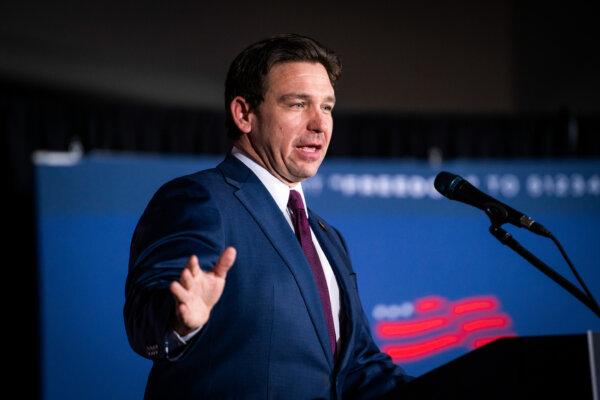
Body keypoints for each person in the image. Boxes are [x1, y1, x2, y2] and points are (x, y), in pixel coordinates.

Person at [124, 33, 409, 399]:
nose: (319, 124)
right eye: (297, 105)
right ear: (244, 114)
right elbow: (145, 319)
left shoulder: (327, 237)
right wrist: (179, 319)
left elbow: (357, 365)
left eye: (327, 107)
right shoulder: (200, 199)